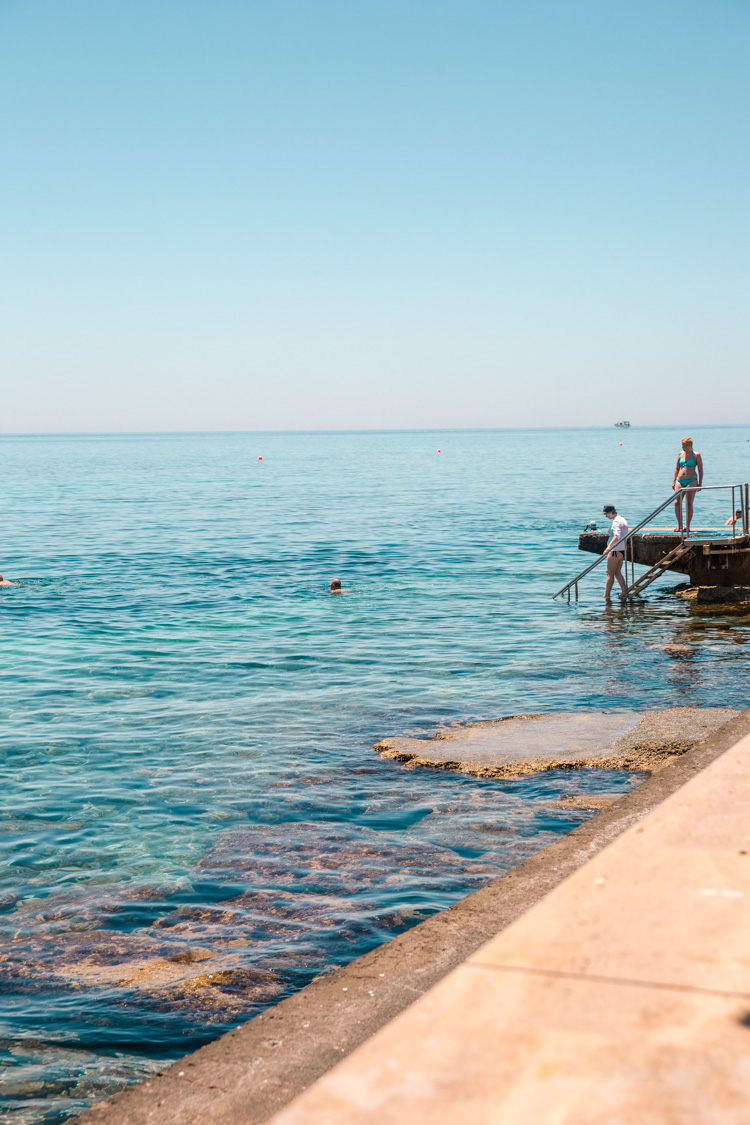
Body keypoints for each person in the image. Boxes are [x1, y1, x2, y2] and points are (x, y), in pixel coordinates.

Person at [672, 436, 703, 534]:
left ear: (690, 445)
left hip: (692, 480)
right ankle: (679, 525)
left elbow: (700, 470)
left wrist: (700, 483)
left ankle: (688, 526)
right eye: (682, 445)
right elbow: (677, 468)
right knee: (677, 502)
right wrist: (673, 481)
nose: (683, 447)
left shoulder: (696, 455)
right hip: (680, 481)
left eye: (684, 445)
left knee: (689, 503)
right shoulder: (680, 454)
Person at [602, 504, 629, 600]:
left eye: (606, 514)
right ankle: (625, 591)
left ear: (611, 512)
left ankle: (606, 595)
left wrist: (608, 547)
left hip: (614, 550)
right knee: (617, 572)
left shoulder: (616, 521)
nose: (605, 516)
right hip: (621, 550)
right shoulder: (622, 519)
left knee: (609, 573)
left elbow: (617, 536)